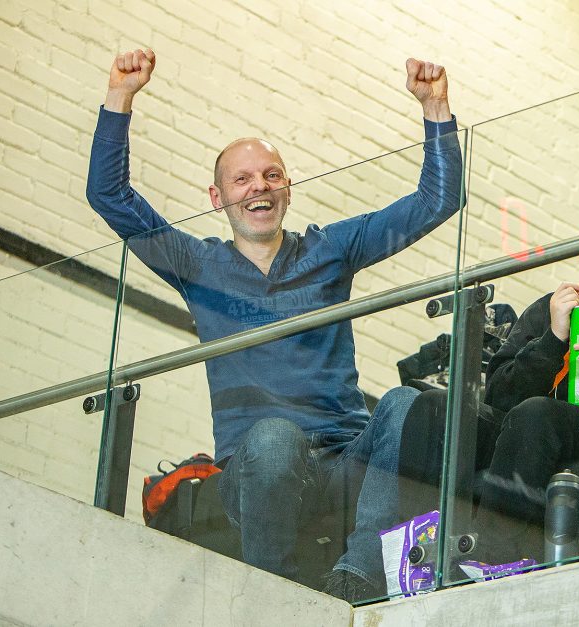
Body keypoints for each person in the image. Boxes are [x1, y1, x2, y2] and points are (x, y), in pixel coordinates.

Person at [86, 48, 463, 602]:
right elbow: (109, 196)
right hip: (255, 468)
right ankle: (272, 595)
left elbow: (438, 199)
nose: (257, 187)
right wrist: (119, 97)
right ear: (218, 198)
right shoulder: (196, 264)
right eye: (241, 180)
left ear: (288, 187)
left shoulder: (329, 250)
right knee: (273, 440)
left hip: (342, 460)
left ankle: (358, 575)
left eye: (270, 175)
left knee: (406, 404)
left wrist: (435, 107)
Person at [397, 171, 579, 565]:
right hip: (533, 422)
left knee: (536, 415)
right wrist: (552, 336)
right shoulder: (548, 306)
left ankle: (496, 559)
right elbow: (499, 395)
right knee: (434, 407)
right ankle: (414, 554)